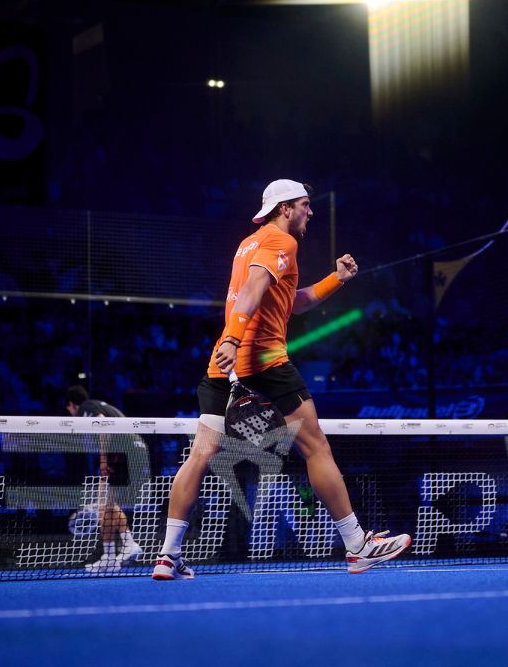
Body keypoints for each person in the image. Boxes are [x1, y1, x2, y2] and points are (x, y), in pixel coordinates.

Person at [152, 179, 412, 580]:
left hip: (222, 367)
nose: (311, 211)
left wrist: (336, 279)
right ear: (285, 208)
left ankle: (168, 555)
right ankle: (357, 546)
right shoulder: (282, 241)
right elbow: (254, 289)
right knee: (316, 447)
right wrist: (235, 338)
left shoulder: (248, 244)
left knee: (200, 454)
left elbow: (290, 302)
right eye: (305, 204)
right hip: (264, 362)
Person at [65, 385, 144, 572]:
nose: (70, 413)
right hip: (134, 450)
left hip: (121, 451)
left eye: (68, 409)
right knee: (107, 505)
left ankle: (112, 555)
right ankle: (123, 548)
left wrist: (103, 458)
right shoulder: (100, 404)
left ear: (72, 405)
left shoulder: (85, 408)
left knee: (104, 505)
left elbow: (102, 424)